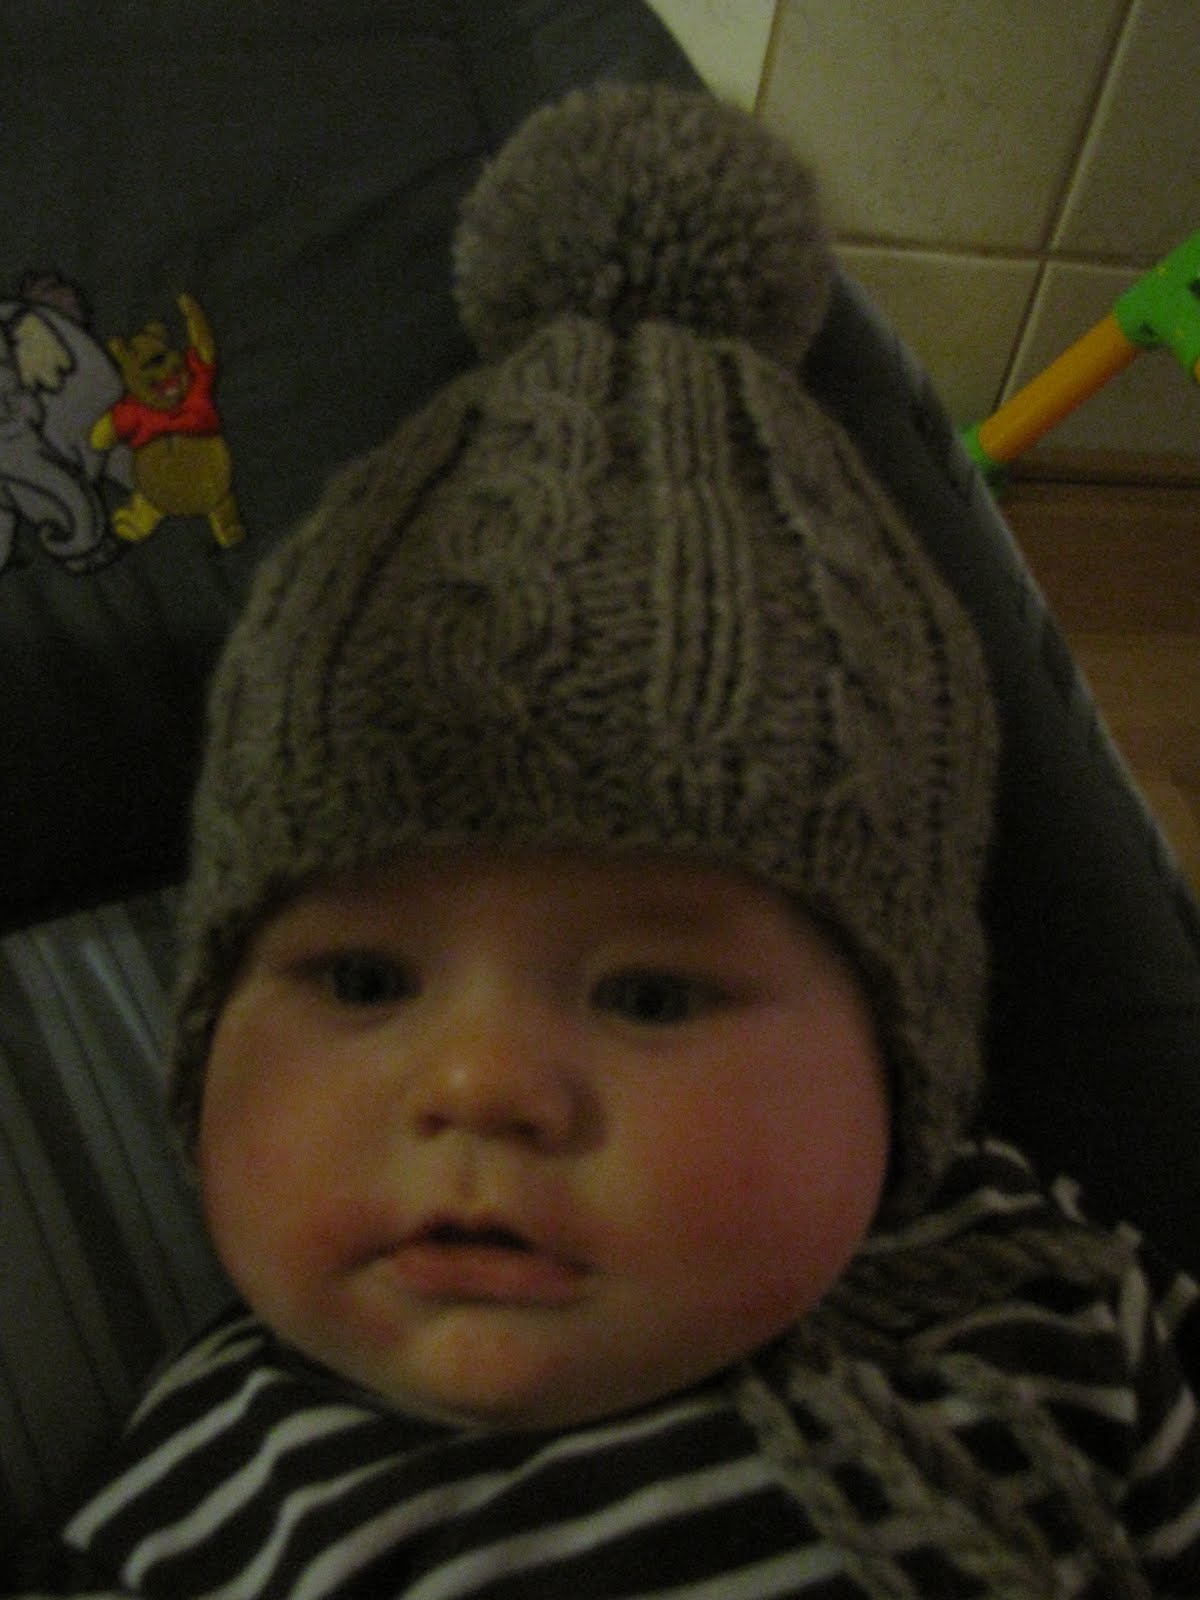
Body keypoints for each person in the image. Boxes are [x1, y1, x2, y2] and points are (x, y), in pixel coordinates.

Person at [12, 84, 1200, 1599]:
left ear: (910, 1071)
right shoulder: (207, 1513)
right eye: (364, 979)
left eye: (650, 995)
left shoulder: (1050, 1296)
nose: (480, 1087)